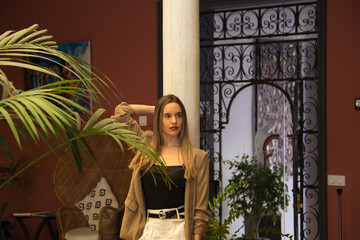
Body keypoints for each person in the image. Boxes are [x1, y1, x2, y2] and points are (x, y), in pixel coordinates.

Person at [111, 94, 210, 240]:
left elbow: (200, 210)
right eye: (167, 116)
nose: (174, 121)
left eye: (178, 115)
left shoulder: (197, 157)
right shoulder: (145, 147)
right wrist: (155, 109)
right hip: (148, 228)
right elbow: (121, 113)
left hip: (180, 229)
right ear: (159, 119)